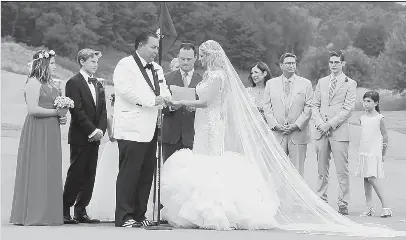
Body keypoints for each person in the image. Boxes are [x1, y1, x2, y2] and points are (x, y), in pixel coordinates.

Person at [161, 40, 404, 237]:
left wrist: (181, 101)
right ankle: (203, 209)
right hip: (211, 122)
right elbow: (228, 104)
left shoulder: (217, 76)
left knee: (216, 164)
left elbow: (207, 102)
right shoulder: (216, 76)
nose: (199, 59)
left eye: (201, 55)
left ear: (209, 56)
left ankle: (333, 203)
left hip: (218, 124)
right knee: (208, 164)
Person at [112, 31, 171, 228]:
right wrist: (152, 101)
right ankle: (124, 215)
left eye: (157, 48)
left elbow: (163, 89)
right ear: (140, 46)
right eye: (153, 47)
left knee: (146, 172)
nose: (156, 51)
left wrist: (167, 99)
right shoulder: (125, 65)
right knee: (130, 173)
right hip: (132, 128)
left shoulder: (157, 68)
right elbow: (125, 91)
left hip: (152, 127)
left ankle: (139, 213)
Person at [10, 50, 67, 226]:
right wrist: (56, 113)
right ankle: (35, 212)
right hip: (38, 129)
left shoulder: (51, 84)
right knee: (38, 167)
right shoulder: (33, 83)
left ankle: (49, 212)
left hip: (51, 130)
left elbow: (55, 106)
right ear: (42, 65)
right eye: (52, 63)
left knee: (50, 167)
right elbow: (33, 110)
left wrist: (62, 115)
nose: (55, 66)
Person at [63, 48, 107, 224]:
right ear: (82, 62)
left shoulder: (98, 83)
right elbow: (77, 110)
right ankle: (65, 209)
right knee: (76, 172)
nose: (95, 65)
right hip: (81, 136)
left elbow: (103, 110)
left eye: (97, 62)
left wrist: (101, 130)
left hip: (96, 136)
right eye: (92, 61)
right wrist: (91, 130)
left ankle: (81, 210)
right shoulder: (73, 82)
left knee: (90, 174)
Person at [312, 50, 356, 215]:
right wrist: (320, 124)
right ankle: (321, 200)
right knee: (321, 168)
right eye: (331, 62)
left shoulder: (350, 83)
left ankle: (343, 202)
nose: (333, 65)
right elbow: (314, 105)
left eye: (336, 62)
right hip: (320, 130)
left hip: (339, 131)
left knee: (341, 169)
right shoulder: (322, 82)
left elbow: (348, 109)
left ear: (343, 63)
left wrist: (329, 124)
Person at [263, 53, 313, 177]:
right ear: (281, 65)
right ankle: (278, 196)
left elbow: (309, 107)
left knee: (297, 172)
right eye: (288, 63)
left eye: (293, 63)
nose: (291, 65)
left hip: (297, 134)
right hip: (277, 133)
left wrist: (296, 125)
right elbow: (267, 107)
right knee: (276, 170)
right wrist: (275, 125)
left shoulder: (306, 84)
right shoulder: (270, 83)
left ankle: (297, 196)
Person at [162, 43, 203, 161]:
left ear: (195, 58)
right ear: (178, 57)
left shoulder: (202, 81)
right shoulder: (166, 78)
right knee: (168, 173)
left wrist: (196, 108)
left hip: (193, 136)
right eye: (182, 59)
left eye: (189, 59)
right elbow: (158, 105)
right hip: (170, 136)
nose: (185, 62)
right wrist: (170, 108)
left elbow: (207, 106)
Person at [356, 91, 392, 218]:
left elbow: (385, 137)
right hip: (364, 151)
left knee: (372, 178)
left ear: (376, 103)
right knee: (366, 179)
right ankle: (369, 207)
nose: (365, 104)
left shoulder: (380, 118)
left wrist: (383, 154)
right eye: (364, 101)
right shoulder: (362, 118)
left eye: (369, 101)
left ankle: (386, 206)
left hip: (374, 152)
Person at [87, 93, 117, 222]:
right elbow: (111, 136)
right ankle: (108, 209)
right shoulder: (111, 118)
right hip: (114, 148)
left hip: (124, 147)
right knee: (110, 177)